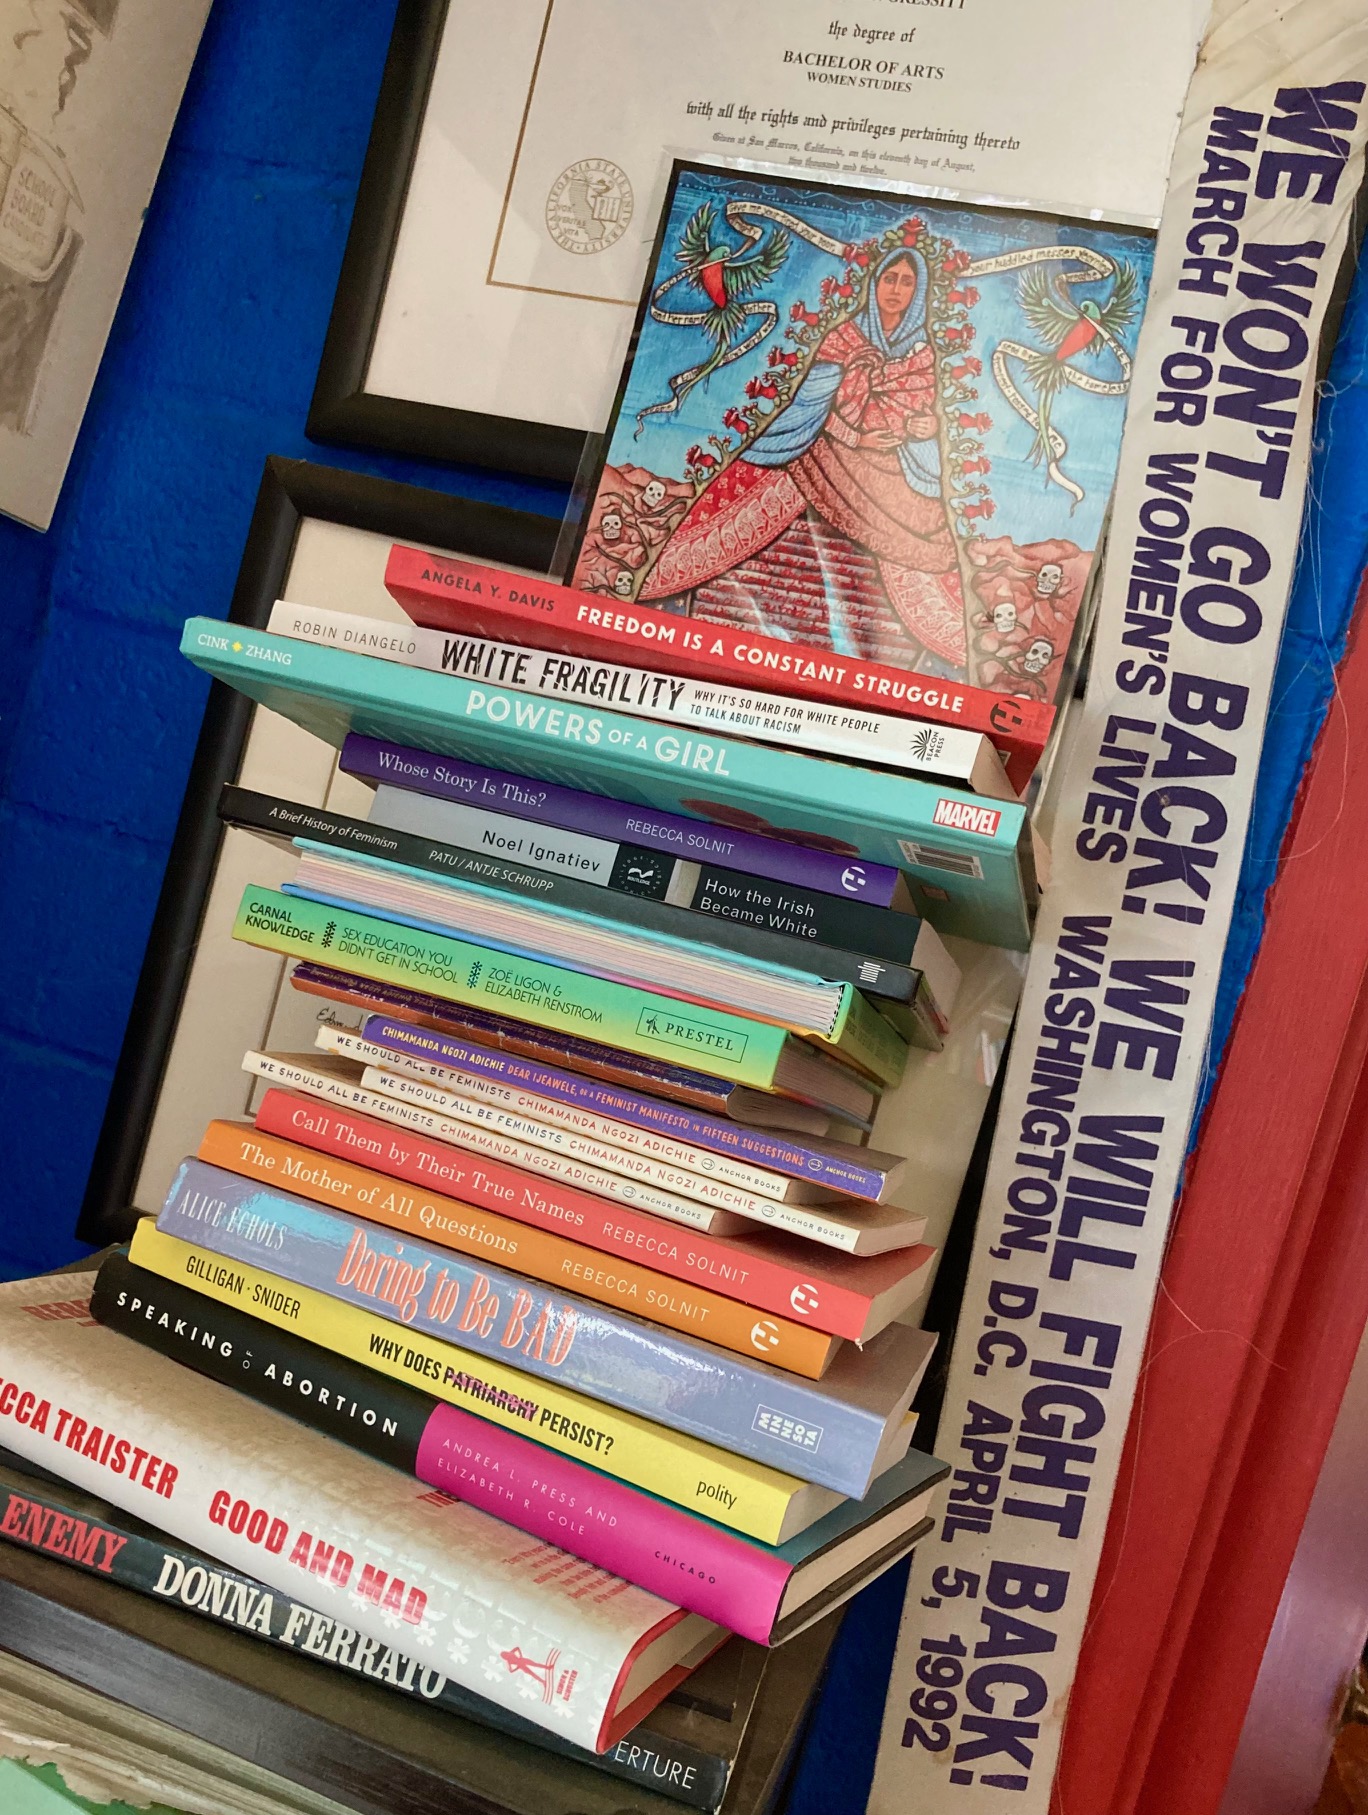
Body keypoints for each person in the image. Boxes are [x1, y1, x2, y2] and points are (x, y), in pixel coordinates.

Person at [635, 244, 967, 670]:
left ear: (918, 292)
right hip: (823, 454)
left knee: (926, 538)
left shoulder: (924, 357)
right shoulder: (844, 338)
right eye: (889, 278)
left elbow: (927, 417)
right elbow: (811, 405)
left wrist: (927, 431)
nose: (895, 290)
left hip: (893, 473)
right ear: (875, 282)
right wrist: (855, 437)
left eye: (906, 282)